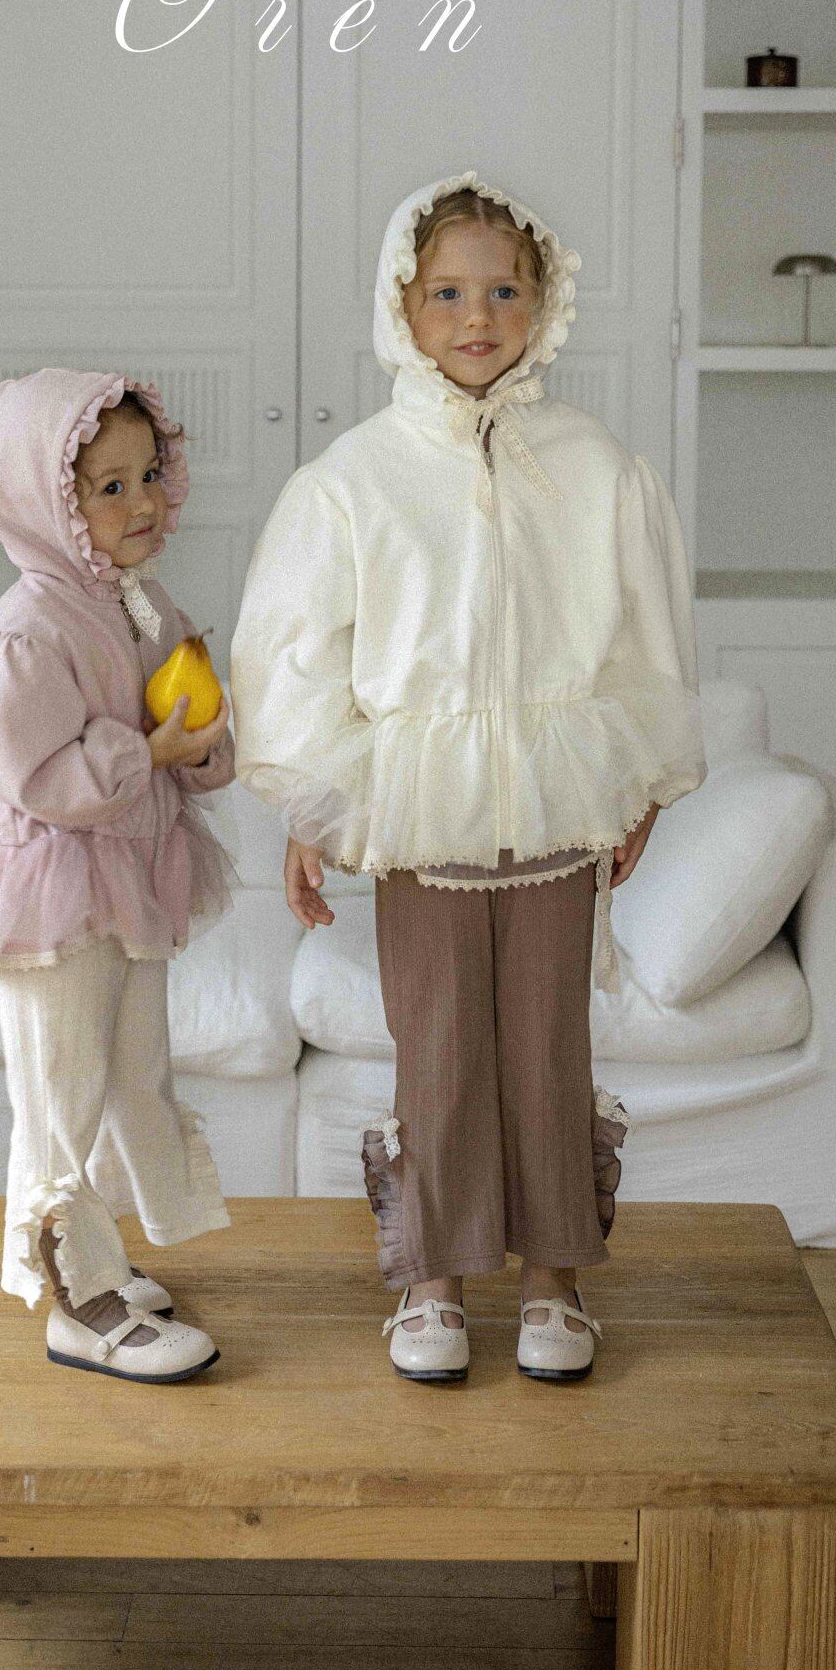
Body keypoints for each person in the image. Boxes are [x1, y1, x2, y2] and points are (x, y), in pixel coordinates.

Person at [229, 169, 706, 1384]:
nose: (474, 316)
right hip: (420, 813)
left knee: (548, 1045)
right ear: (402, 305)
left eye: (501, 291)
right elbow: (299, 653)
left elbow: (643, 640)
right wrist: (316, 806)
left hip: (555, 797)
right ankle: (431, 1279)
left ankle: (553, 1279)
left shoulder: (594, 466)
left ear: (542, 304)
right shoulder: (354, 478)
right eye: (445, 292)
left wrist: (639, 780)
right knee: (435, 1045)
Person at [0, 367, 239, 1384]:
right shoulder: (18, 636)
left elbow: (186, 734)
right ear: (45, 506)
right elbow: (42, 780)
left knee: (130, 1075)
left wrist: (199, 743)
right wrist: (152, 751)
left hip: (126, 882)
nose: (142, 504)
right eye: (109, 487)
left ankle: (95, 1258)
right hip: (54, 896)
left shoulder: (140, 603)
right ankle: (73, 1303)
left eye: (150, 476)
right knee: (59, 1092)